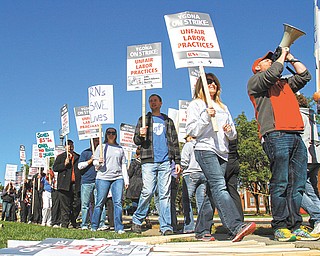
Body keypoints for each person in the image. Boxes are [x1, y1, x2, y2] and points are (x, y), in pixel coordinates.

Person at [247, 47, 315, 242]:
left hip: (295, 135)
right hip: (276, 134)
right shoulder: (256, 82)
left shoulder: (284, 84)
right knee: (281, 182)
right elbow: (273, 73)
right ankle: (280, 226)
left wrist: (291, 57)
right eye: (266, 60)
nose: (271, 61)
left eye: (272, 59)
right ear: (257, 67)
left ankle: (295, 225)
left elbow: (305, 76)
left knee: (297, 184)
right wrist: (281, 58)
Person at [186, 73, 256, 242]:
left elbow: (233, 134)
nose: (211, 84)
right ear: (200, 86)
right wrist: (206, 117)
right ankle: (235, 225)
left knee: (212, 192)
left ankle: (202, 230)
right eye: (207, 82)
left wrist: (229, 131)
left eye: (214, 82)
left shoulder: (223, 107)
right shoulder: (196, 104)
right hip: (205, 149)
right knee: (219, 186)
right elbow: (191, 131)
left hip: (222, 152)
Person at [131, 94, 181, 236]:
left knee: (165, 194)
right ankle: (137, 219)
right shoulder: (143, 119)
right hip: (148, 161)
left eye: (155, 100)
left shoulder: (168, 121)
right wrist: (141, 135)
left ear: (161, 102)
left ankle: (166, 226)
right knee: (147, 191)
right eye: (150, 101)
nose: (152, 103)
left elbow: (174, 142)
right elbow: (136, 141)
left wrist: (177, 161)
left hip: (165, 161)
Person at [91, 127, 129, 234]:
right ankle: (94, 225)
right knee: (100, 202)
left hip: (117, 178)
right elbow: (94, 163)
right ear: (106, 135)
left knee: (118, 203)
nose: (111, 135)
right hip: (103, 177)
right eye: (109, 133)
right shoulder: (101, 147)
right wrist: (98, 161)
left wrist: (126, 180)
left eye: (113, 133)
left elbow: (123, 165)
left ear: (116, 135)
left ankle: (119, 227)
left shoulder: (120, 148)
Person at [296, 93, 320, 235]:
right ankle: (317, 219)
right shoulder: (311, 115)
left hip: (305, 156)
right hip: (316, 157)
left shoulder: (298, 114)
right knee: (311, 191)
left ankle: (317, 215)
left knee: (295, 190)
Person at [78, 137, 109, 231]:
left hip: (99, 180)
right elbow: (80, 166)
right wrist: (90, 161)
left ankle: (101, 223)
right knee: (85, 204)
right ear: (91, 142)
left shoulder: (103, 153)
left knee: (100, 204)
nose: (97, 142)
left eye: (99, 140)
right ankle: (84, 224)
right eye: (95, 140)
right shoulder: (85, 153)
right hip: (87, 182)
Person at [181, 135, 207, 234]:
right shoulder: (203, 145)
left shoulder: (188, 145)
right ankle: (202, 227)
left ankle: (189, 226)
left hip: (190, 173)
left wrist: (180, 170)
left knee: (186, 200)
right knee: (201, 202)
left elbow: (184, 161)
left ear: (190, 137)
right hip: (203, 173)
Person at [53, 139, 81, 228]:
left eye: (72, 145)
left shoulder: (78, 157)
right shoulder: (61, 157)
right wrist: (64, 164)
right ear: (65, 147)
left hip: (76, 184)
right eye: (68, 145)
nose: (70, 146)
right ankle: (64, 224)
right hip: (64, 184)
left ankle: (73, 220)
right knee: (65, 205)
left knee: (77, 204)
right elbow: (55, 168)